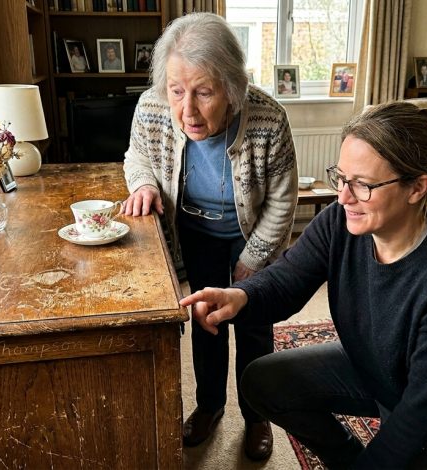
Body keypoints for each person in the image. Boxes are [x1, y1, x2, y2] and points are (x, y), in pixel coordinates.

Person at [180, 102, 427, 468]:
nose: (343, 197)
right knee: (261, 381)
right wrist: (240, 296)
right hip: (377, 372)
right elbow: (288, 279)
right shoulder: (339, 222)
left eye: (363, 185)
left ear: (417, 187)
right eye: (341, 177)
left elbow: (423, 416)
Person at [122, 12, 298, 461]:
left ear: (233, 88)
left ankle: (257, 417)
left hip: (252, 233)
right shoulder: (153, 108)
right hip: (194, 233)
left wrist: (253, 261)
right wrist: (142, 183)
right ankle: (210, 406)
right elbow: (136, 155)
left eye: (204, 92)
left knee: (255, 328)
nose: (188, 110)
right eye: (177, 91)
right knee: (207, 324)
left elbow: (282, 200)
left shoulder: (268, 120)